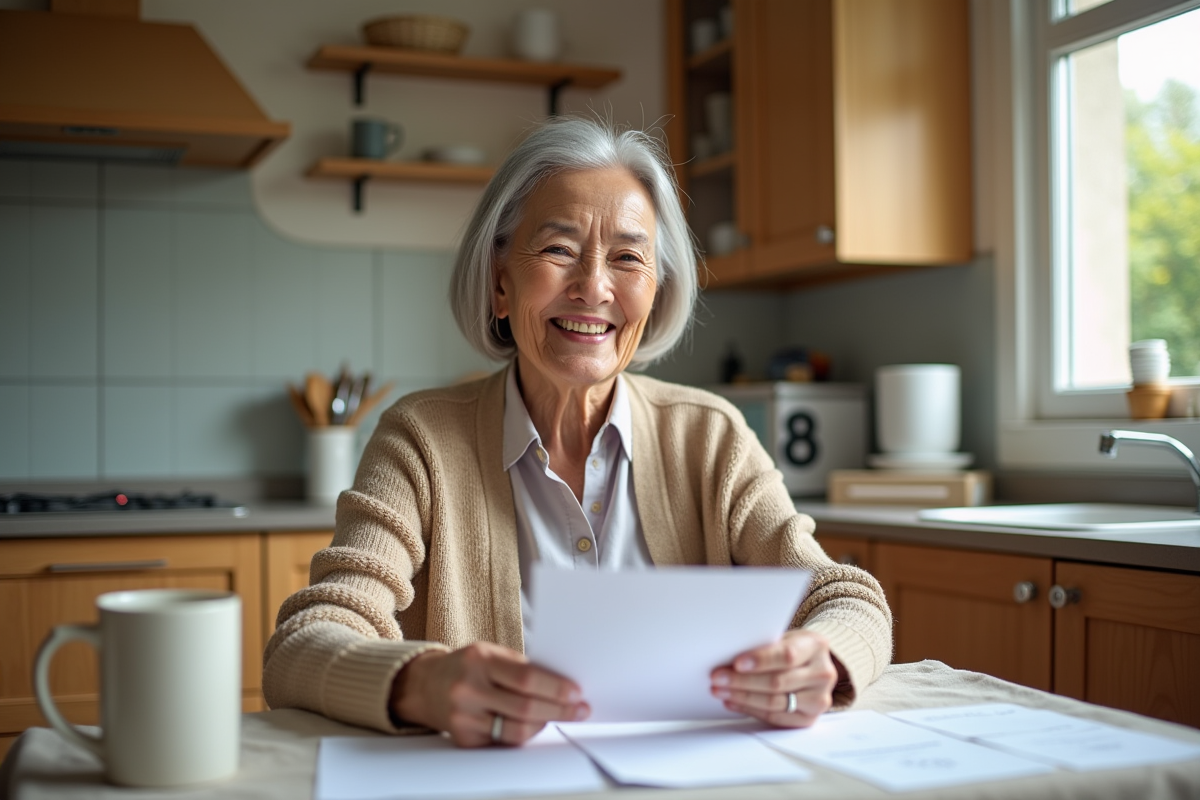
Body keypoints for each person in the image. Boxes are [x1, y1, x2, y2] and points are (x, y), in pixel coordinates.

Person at [263, 116, 892, 748]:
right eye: (559, 249)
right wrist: (422, 682)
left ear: (656, 290)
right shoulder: (420, 439)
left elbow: (845, 596)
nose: (594, 286)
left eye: (627, 258)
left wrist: (823, 658)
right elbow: (307, 639)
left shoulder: (711, 436)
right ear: (500, 283)